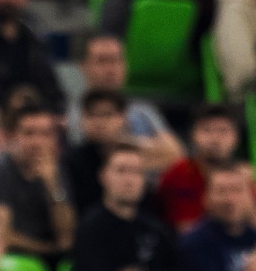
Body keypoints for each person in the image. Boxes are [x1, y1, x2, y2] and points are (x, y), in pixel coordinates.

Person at [72, 144, 190, 271]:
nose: (129, 180)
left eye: (137, 172)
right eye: (121, 171)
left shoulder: (155, 228)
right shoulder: (90, 229)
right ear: (103, 176)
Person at [0, 100, 73, 266]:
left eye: (45, 134)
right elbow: (3, 236)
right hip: (10, 261)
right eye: (29, 133)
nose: (37, 142)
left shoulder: (57, 171)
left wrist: (53, 185)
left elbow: (67, 237)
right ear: (13, 136)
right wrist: (50, 249)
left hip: (51, 261)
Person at [76, 32, 183, 173]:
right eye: (102, 61)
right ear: (83, 67)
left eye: (116, 60)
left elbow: (175, 154)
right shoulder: (75, 111)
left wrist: (125, 148)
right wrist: (151, 149)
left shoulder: (142, 110)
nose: (110, 70)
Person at [180, 163, 256, 271]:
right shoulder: (192, 244)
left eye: (237, 190)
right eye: (221, 191)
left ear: (251, 196)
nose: (229, 200)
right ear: (205, 197)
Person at [157, 105, 240, 231]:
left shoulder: (242, 177)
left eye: (223, 131)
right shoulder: (179, 174)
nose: (215, 139)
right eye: (207, 130)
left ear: (236, 138)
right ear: (193, 135)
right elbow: (186, 233)